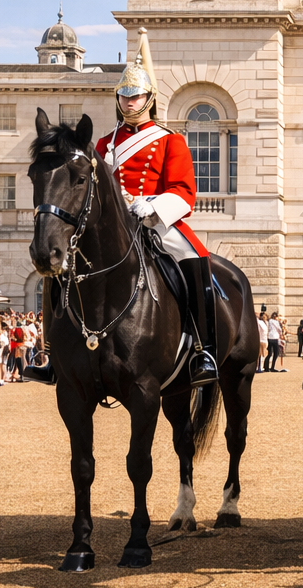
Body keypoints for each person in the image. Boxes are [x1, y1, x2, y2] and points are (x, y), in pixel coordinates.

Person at [27, 28, 217, 388]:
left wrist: (154, 206)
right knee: (59, 270)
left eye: (136, 96)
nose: (130, 102)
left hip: (154, 222)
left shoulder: (170, 140)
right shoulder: (103, 142)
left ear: (149, 97)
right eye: (124, 96)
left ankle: (203, 350)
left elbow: (184, 191)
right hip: (111, 223)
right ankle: (52, 353)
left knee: (196, 260)